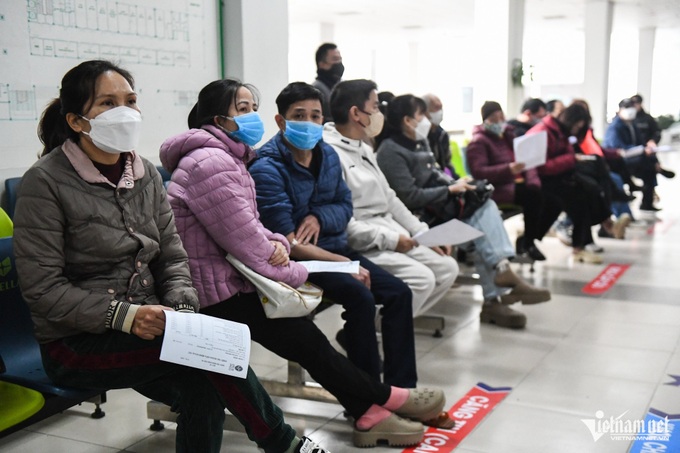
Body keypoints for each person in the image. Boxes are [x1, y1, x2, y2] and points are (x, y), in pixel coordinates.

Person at [12, 60, 327, 453]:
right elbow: (44, 290)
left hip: (154, 323)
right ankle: (286, 446)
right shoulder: (44, 183)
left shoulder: (144, 173)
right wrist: (126, 316)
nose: (125, 112)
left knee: (204, 385)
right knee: (215, 355)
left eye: (130, 100)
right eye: (108, 104)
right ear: (77, 121)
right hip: (78, 341)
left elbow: (173, 256)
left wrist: (181, 309)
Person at [159, 78, 447, 448]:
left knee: (310, 340)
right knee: (307, 340)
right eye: (242, 110)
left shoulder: (230, 158)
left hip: (233, 278)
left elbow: (260, 229)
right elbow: (252, 243)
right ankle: (385, 399)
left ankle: (376, 406)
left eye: (251, 108)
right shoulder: (212, 163)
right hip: (212, 292)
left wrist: (281, 244)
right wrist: (296, 272)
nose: (251, 117)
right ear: (219, 119)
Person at [251, 82, 419, 389]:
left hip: (335, 250)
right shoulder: (266, 168)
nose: (310, 123)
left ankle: (402, 388)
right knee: (360, 296)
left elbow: (344, 206)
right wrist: (344, 263)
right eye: (299, 115)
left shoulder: (326, 154)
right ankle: (370, 393)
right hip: (300, 263)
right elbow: (290, 243)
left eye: (316, 116)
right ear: (280, 121)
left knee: (399, 294)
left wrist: (318, 216)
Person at [374, 95, 551, 329]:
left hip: (439, 208)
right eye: (423, 115)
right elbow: (409, 197)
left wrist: (459, 183)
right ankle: (497, 287)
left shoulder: (419, 141)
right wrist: (449, 190)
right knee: (482, 219)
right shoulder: (390, 151)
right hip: (420, 219)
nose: (428, 119)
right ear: (408, 120)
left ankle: (499, 282)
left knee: (482, 213)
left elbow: (436, 174)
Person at [323, 80, 459, 320]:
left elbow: (389, 197)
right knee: (422, 279)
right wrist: (393, 240)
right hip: (365, 239)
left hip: (390, 228)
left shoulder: (363, 147)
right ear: (356, 113)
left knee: (447, 267)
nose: (379, 114)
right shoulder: (330, 153)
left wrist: (423, 233)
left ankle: (382, 326)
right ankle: (386, 332)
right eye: (374, 107)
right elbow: (347, 223)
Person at [526, 103, 608, 264]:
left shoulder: (559, 132)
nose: (577, 130)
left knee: (586, 192)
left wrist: (570, 159)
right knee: (573, 198)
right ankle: (530, 240)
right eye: (577, 126)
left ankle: (581, 245)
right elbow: (541, 166)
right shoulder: (544, 132)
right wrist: (570, 160)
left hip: (558, 177)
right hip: (542, 181)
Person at [466, 101, 546, 260]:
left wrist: (532, 180)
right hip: (497, 187)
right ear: (485, 120)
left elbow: (525, 161)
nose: (499, 121)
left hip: (516, 182)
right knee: (534, 197)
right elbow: (479, 172)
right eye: (494, 117)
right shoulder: (479, 142)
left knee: (546, 194)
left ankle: (528, 240)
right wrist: (507, 169)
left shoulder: (509, 135)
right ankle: (527, 242)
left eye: (501, 116)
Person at [603, 98, 673, 213]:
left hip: (634, 157)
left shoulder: (633, 124)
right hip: (620, 160)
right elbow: (619, 149)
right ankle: (656, 168)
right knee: (648, 163)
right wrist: (642, 150)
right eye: (626, 108)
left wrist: (647, 150)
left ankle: (647, 201)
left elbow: (642, 142)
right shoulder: (615, 127)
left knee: (650, 164)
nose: (630, 111)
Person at [421, 93, 458, 177]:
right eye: (436, 108)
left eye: (441, 108)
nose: (440, 112)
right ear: (425, 112)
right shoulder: (419, 136)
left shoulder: (442, 135)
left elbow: (446, 163)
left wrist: (457, 180)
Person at [312, 43, 344, 123]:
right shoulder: (316, 89)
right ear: (322, 64)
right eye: (335, 59)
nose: (339, 63)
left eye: (340, 59)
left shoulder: (341, 86)